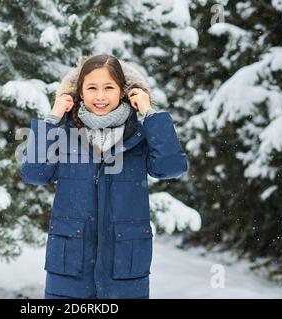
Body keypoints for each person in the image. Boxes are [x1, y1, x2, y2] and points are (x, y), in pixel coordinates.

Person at [21, 54, 188, 299]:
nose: (100, 97)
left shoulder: (140, 135)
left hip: (125, 268)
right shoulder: (63, 133)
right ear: (80, 92)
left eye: (109, 87)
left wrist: (150, 113)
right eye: (92, 88)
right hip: (69, 268)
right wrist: (52, 118)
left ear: (123, 91)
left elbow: (171, 167)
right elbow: (34, 173)